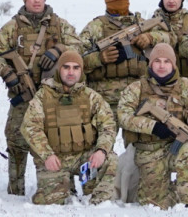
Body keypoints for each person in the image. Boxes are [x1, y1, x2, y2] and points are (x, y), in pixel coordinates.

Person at [0, 0, 80, 195]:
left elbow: (78, 45)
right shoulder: (12, 27)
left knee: (59, 141)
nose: (37, 0)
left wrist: (58, 49)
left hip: (53, 98)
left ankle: (65, 187)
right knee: (16, 141)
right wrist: (7, 73)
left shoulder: (59, 24)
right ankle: (15, 188)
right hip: (23, 95)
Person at [116, 43, 188, 208]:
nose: (161, 65)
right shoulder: (136, 88)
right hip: (148, 152)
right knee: (153, 204)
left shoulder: (187, 86)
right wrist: (152, 127)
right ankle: (170, 191)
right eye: (157, 61)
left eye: (166, 61)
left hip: (175, 149)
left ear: (173, 64)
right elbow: (123, 115)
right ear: (150, 63)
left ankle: (187, 202)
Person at [20, 51, 118, 205]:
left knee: (110, 159)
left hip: (84, 157)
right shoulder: (43, 96)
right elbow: (30, 127)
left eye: (75, 68)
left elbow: (108, 125)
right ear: (59, 70)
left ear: (81, 70)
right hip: (55, 159)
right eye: (66, 67)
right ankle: (66, 186)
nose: (71, 72)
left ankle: (98, 201)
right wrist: (47, 155)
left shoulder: (91, 96)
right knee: (51, 202)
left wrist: (101, 150)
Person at [78, 0, 171, 120]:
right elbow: (76, 61)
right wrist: (99, 58)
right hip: (105, 98)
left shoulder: (140, 22)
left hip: (139, 95)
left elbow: (168, 38)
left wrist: (150, 37)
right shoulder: (95, 27)